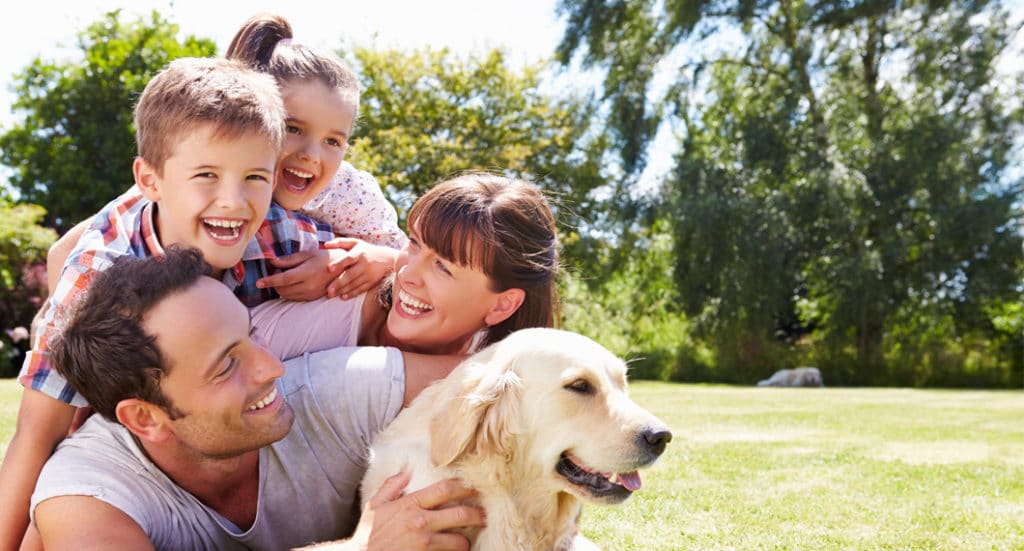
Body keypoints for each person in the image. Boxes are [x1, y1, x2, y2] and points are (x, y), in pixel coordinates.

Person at [0, 56, 330, 551]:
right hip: (137, 431)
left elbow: (395, 269)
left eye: (256, 178)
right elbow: (35, 434)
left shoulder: (281, 231)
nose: (234, 202)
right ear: (149, 181)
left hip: (225, 420)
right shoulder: (96, 276)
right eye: (207, 176)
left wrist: (370, 264)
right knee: (39, 531)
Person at [31, 247, 484, 550]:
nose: (273, 368)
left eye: (252, 338)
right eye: (226, 365)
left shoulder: (328, 391)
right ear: (145, 418)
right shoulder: (87, 490)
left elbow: (510, 385)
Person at [228, 13, 407, 302]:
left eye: (332, 141)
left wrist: (357, 260)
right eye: (293, 128)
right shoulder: (211, 170)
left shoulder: (347, 191)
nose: (311, 155)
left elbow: (401, 256)